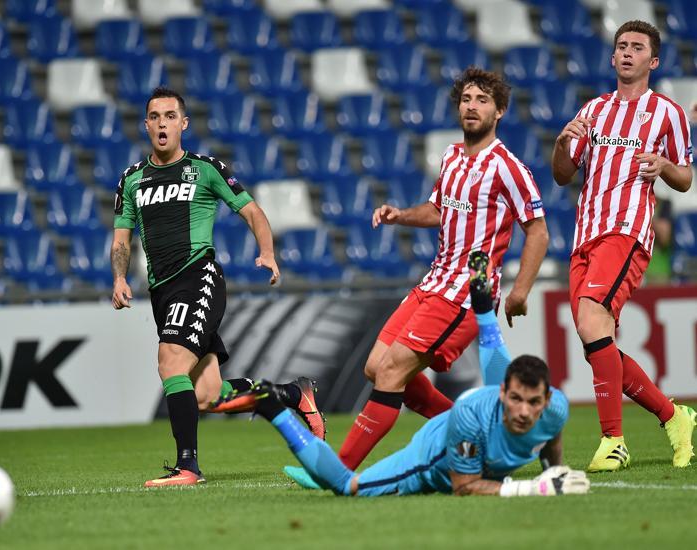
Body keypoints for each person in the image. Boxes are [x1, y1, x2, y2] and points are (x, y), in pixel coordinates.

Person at [211, 254, 590, 498]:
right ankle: (275, 408)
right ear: (504, 394)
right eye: (517, 399)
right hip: (435, 460)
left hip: (471, 426)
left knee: (418, 367)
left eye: (534, 402)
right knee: (347, 487)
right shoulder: (469, 418)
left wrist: (554, 469)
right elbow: (465, 486)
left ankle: (480, 302)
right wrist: (539, 488)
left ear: (547, 399)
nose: (524, 411)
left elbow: (497, 356)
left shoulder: (554, 409)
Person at [335, 67, 549, 471]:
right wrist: (401, 215)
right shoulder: (452, 156)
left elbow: (538, 231)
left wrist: (521, 290)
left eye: (483, 100)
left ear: (499, 111)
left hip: (465, 293)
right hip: (432, 282)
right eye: (467, 99)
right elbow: (438, 210)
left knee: (393, 370)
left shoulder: (508, 167)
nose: (472, 106)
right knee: (374, 367)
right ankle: (472, 435)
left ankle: (336, 469)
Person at [110, 87, 325, 488]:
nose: (162, 123)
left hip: (199, 277)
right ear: (146, 125)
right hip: (162, 292)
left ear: (183, 124)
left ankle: (187, 466)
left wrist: (267, 252)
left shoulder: (206, 168)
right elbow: (121, 239)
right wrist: (120, 277)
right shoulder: (132, 180)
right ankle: (295, 394)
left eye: (170, 116)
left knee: (171, 361)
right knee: (209, 395)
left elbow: (252, 210)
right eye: (155, 116)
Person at [551, 20, 697, 472]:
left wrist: (663, 165)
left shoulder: (667, 112)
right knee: (595, 335)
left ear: (652, 61)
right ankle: (675, 417)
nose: (628, 52)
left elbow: (686, 178)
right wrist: (561, 144)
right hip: (584, 237)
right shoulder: (593, 111)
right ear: (613, 58)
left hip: (627, 232)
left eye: (637, 47)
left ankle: (614, 439)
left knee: (593, 318)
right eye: (621, 46)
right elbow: (562, 174)